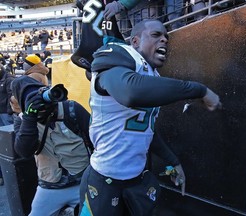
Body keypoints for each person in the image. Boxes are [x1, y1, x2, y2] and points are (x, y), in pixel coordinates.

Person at [79, 19, 221, 215]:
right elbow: (130, 93)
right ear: (135, 41)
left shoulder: (152, 75)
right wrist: (199, 90)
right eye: (156, 35)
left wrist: (172, 160)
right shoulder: (119, 57)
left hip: (135, 180)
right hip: (103, 180)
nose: (164, 40)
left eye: (166, 37)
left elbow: (144, 129)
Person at [10, 75, 92, 215]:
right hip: (50, 186)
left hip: (83, 181)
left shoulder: (71, 109)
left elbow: (96, 139)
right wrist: (30, 118)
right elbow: (24, 151)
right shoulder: (23, 120)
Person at [0, 64, 15, 186]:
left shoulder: (8, 79)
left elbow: (11, 95)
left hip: (5, 113)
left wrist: (10, 110)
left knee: (8, 139)